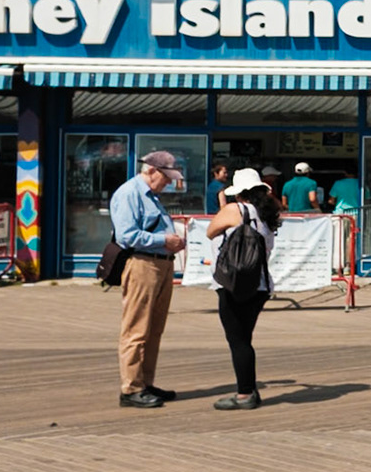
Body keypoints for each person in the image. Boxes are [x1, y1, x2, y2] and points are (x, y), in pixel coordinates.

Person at [108, 149, 189, 408]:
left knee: (154, 328)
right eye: (166, 177)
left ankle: (145, 382)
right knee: (136, 329)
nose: (168, 183)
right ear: (151, 170)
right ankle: (131, 388)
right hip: (143, 263)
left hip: (160, 263)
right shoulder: (130, 193)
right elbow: (126, 235)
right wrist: (164, 240)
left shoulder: (150, 195)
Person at [205, 168, 280, 411]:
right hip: (259, 284)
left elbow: (210, 232)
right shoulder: (268, 213)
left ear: (239, 193)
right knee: (244, 338)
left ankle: (245, 393)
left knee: (237, 340)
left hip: (234, 282)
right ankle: (249, 388)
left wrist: (224, 206)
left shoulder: (234, 210)